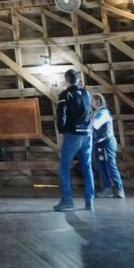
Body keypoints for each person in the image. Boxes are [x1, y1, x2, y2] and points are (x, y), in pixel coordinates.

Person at [53, 68, 95, 212]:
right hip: (87, 134)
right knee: (87, 168)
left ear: (67, 80)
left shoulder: (65, 94)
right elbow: (90, 112)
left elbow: (61, 114)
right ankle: (89, 201)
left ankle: (67, 200)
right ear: (78, 80)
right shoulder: (86, 93)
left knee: (64, 166)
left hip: (73, 135)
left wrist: (62, 130)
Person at [90, 92, 125, 199]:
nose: (90, 102)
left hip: (107, 141)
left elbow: (95, 124)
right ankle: (107, 189)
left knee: (110, 164)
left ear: (98, 101)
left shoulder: (103, 112)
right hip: (98, 143)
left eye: (92, 100)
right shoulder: (95, 112)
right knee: (101, 166)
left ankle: (120, 189)